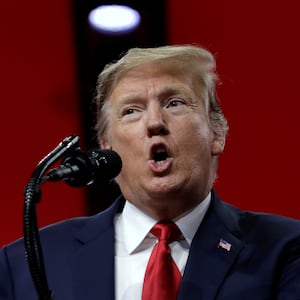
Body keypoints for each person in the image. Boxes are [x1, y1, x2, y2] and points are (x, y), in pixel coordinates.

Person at [0, 44, 300, 300]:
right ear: (107, 146)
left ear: (217, 133)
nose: (155, 122)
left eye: (175, 103)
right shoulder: (28, 264)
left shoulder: (284, 250)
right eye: (131, 110)